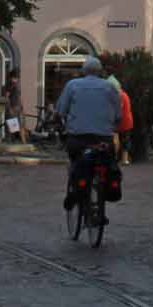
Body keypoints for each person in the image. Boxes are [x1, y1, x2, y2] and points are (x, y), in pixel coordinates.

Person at [54, 56, 124, 217]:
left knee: (75, 161)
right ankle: (102, 195)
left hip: (79, 138)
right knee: (107, 162)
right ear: (100, 71)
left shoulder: (72, 85)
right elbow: (119, 115)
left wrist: (59, 122)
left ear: (83, 71)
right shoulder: (110, 87)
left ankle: (74, 189)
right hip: (103, 139)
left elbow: (61, 111)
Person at [3, 68, 25, 145]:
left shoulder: (16, 84)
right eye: (15, 77)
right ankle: (9, 142)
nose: (17, 79)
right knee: (12, 127)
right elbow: (6, 97)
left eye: (17, 77)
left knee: (21, 126)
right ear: (12, 77)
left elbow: (19, 96)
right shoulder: (9, 84)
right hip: (12, 107)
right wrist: (9, 108)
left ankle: (23, 142)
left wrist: (22, 106)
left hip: (18, 107)